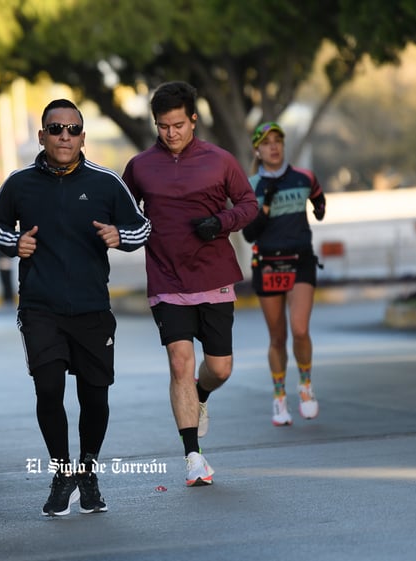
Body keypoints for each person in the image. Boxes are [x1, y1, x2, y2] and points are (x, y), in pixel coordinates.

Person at [0, 99, 150, 516]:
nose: (64, 136)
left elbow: (142, 226)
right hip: (41, 308)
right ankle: (62, 473)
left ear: (82, 137)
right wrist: (12, 244)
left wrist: (121, 236)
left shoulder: (105, 182)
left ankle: (88, 472)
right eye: (55, 128)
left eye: (72, 129)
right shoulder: (20, 183)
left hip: (93, 308)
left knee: (95, 398)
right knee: (49, 389)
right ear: (42, 136)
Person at [122, 81, 258, 487]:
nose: (171, 133)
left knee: (220, 368)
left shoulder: (220, 161)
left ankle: (201, 395)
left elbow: (248, 205)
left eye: (178, 124)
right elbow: (124, 212)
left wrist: (221, 222)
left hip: (214, 276)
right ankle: (193, 457)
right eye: (163, 126)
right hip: (166, 279)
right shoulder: (141, 166)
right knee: (179, 362)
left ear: (193, 119)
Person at [242, 122, 326, 426]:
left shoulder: (304, 176)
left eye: (278, 141)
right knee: (277, 336)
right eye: (266, 143)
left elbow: (318, 197)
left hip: (300, 260)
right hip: (266, 263)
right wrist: (266, 208)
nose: (273, 147)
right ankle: (279, 397)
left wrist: (319, 208)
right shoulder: (250, 186)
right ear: (257, 149)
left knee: (300, 329)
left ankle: (305, 386)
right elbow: (249, 234)